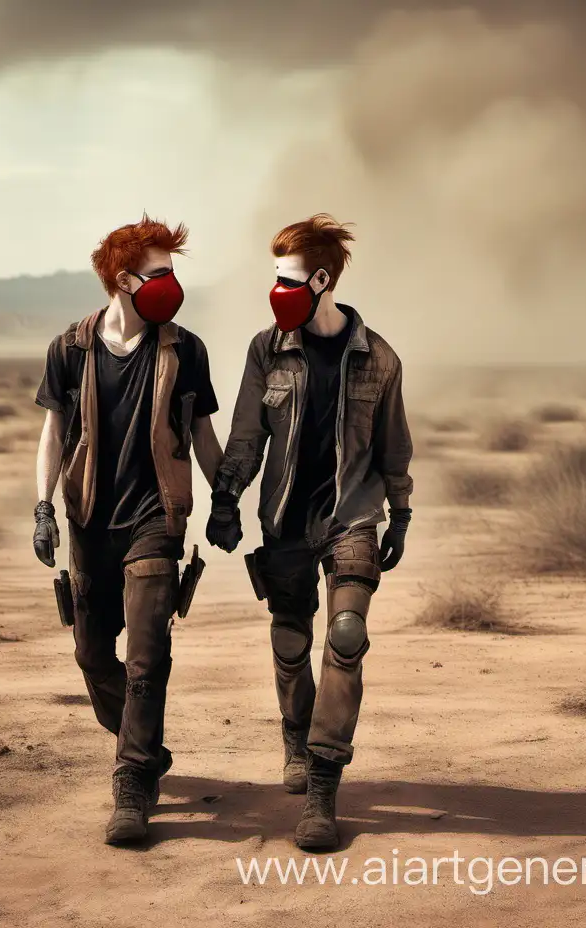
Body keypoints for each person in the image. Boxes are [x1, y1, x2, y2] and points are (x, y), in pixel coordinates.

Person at [205, 214, 414, 850]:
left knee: (346, 638)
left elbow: (392, 445)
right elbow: (246, 432)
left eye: (288, 280)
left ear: (321, 280)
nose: (277, 291)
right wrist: (226, 497)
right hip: (286, 521)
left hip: (351, 516)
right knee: (292, 645)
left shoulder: (378, 358)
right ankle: (295, 736)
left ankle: (324, 782)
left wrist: (399, 513)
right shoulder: (267, 348)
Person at [32, 215, 224, 845]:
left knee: (147, 659)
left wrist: (224, 499)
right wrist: (42, 508)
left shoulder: (184, 349)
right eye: (161, 272)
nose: (172, 284)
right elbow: (54, 433)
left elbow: (201, 435)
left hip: (154, 519)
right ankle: (145, 745)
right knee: (92, 656)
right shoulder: (70, 348)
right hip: (88, 519)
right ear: (122, 279)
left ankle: (133, 781)